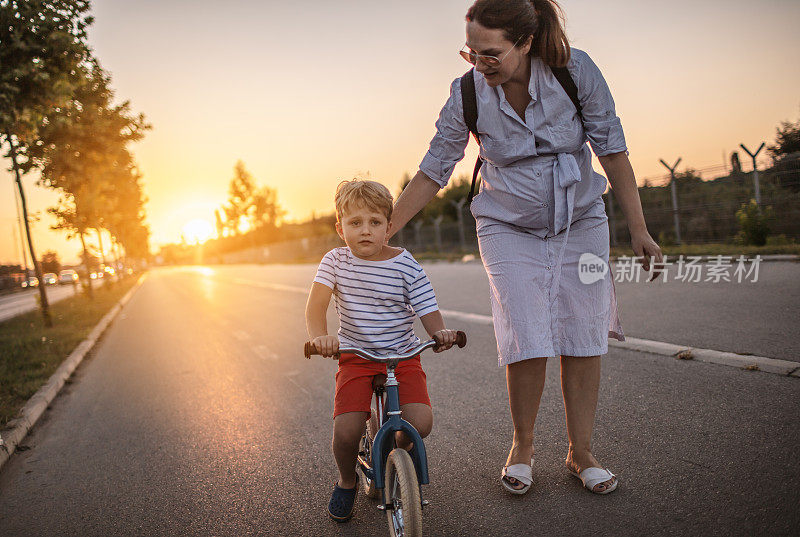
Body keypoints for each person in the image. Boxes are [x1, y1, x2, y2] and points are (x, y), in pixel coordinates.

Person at [389, 0, 663, 495]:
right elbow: (434, 169)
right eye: (470, 52)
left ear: (526, 42)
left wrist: (639, 229)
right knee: (525, 328)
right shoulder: (466, 93)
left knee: (582, 331)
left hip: (580, 219)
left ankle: (581, 452)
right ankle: (523, 444)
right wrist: (383, 233)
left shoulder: (574, 71)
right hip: (505, 223)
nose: (479, 63)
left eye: (490, 53)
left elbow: (613, 150)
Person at [305, 179, 458, 521]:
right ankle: (346, 480)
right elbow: (315, 308)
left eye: (375, 223)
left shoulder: (405, 264)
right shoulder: (335, 262)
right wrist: (321, 337)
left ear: (389, 227)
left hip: (401, 356)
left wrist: (440, 333)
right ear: (340, 227)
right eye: (355, 223)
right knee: (346, 431)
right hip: (356, 357)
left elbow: (427, 308)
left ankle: (393, 456)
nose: (365, 231)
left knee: (419, 422)